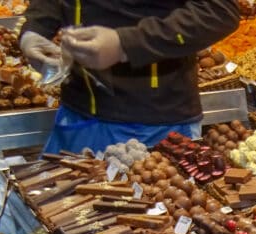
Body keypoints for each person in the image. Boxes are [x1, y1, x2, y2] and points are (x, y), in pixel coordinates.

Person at [19, 0, 240, 154]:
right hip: (76, 109)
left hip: (150, 121)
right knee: (58, 216)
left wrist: (125, 44)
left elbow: (219, 12)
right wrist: (35, 28)